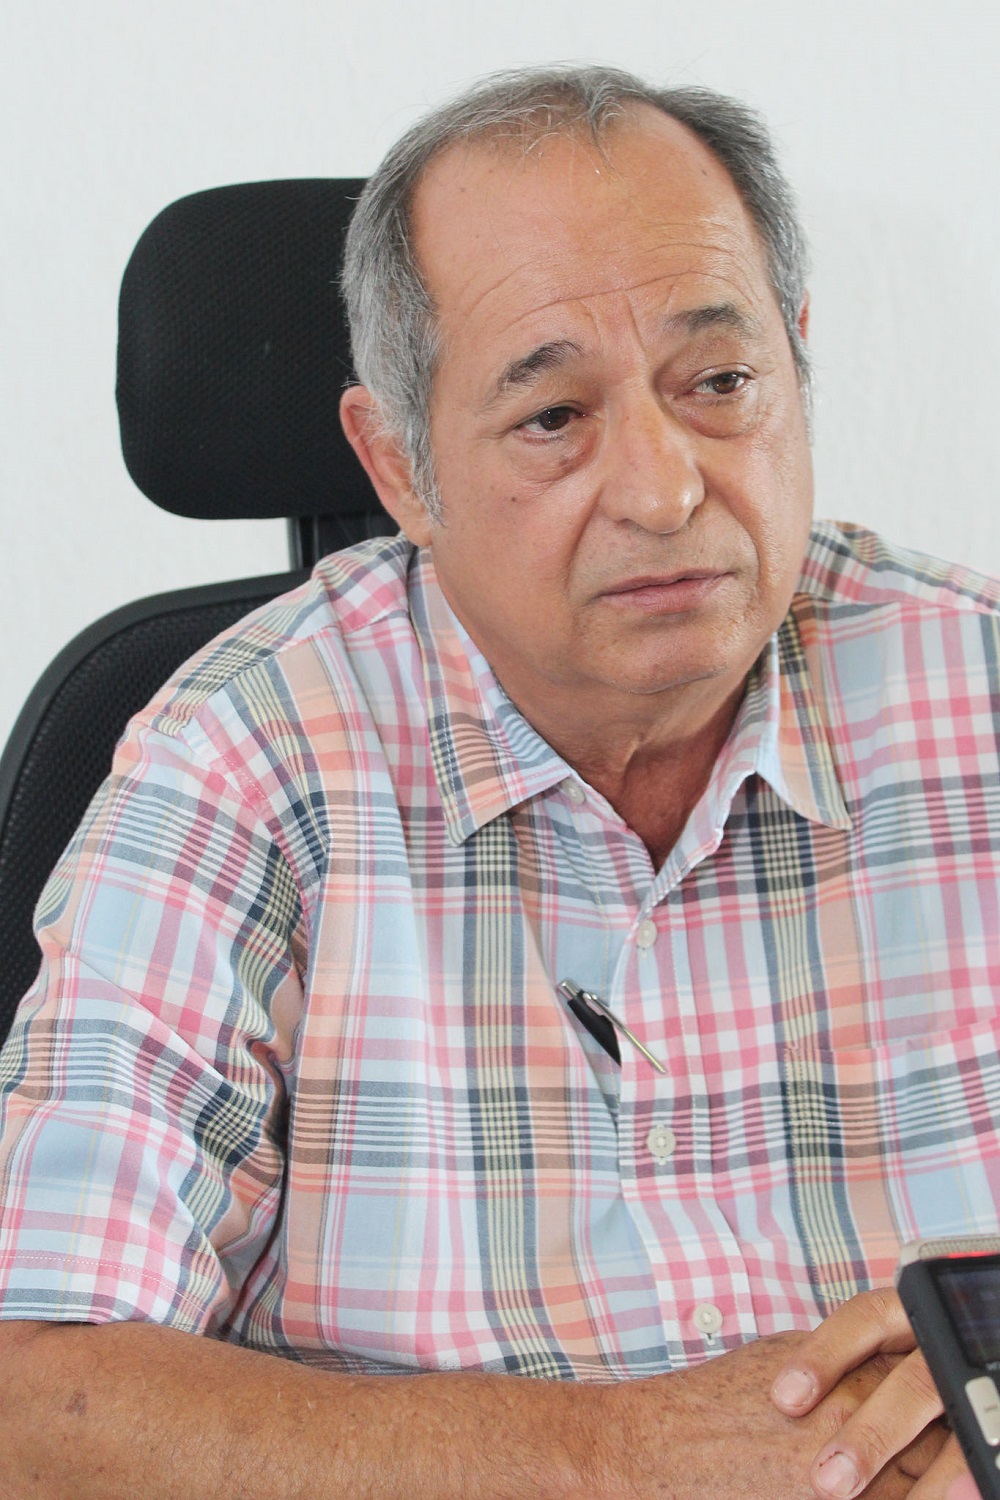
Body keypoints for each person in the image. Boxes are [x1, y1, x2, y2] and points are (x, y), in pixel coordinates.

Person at [0, 63, 995, 1498]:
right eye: (554, 417)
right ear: (399, 466)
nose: (664, 488)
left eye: (720, 384)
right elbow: (37, 1397)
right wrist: (629, 1459)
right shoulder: (239, 761)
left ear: (796, 359)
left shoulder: (976, 688)